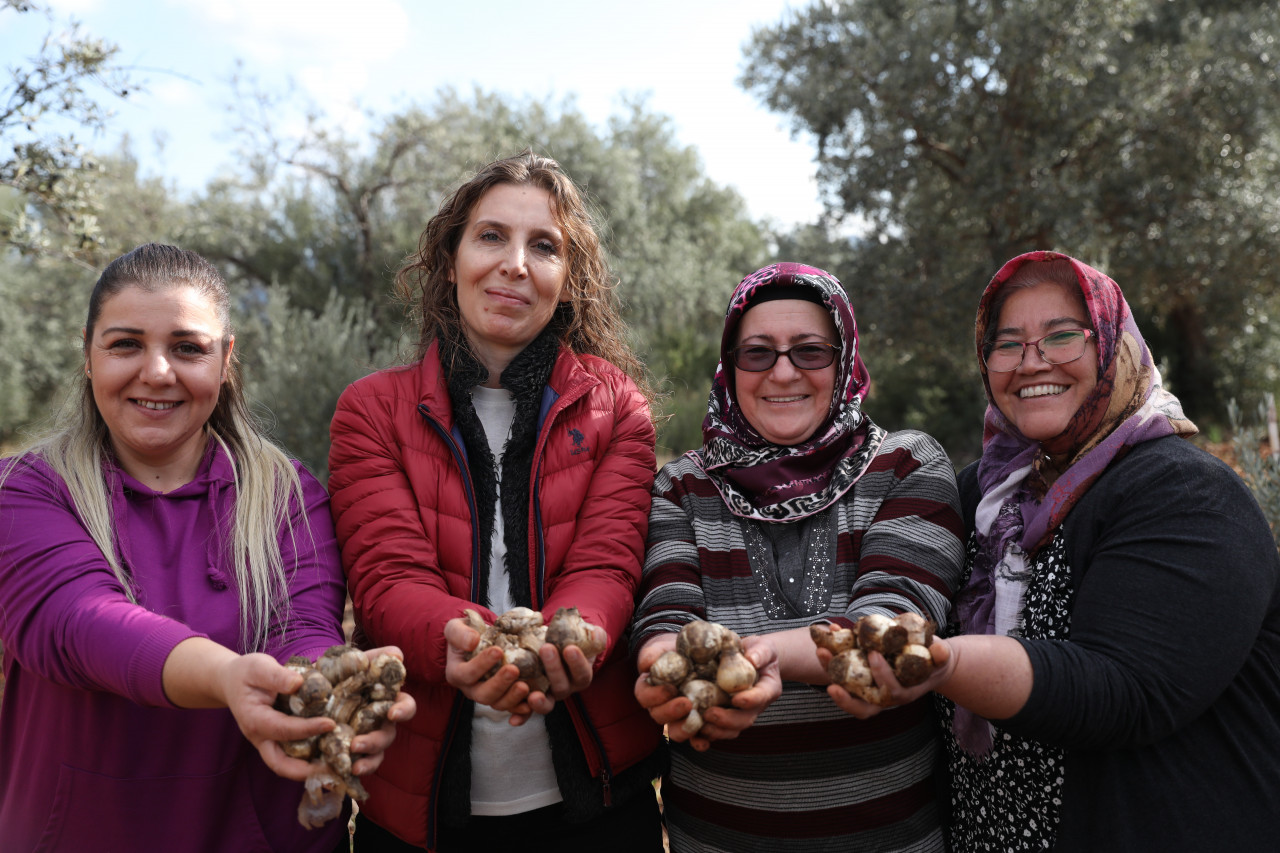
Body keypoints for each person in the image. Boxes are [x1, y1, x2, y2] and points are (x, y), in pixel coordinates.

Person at [826, 251, 1280, 851]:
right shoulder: (980, 495)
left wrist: (947, 666)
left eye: (1063, 336)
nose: (1031, 362)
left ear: (1113, 347)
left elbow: (1127, 690)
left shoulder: (1186, 494)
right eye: (1007, 343)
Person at [0, 243, 413, 852]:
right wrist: (226, 678)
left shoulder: (288, 495)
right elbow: (74, 621)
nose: (158, 372)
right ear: (88, 355)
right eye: (125, 344)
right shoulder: (28, 489)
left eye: (187, 348)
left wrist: (331, 697)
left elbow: (303, 627)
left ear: (225, 360)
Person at [327, 151, 666, 851]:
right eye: (490, 236)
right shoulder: (372, 410)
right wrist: (474, 646)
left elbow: (610, 560)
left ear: (567, 281)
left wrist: (578, 637)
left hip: (598, 803)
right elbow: (388, 578)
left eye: (543, 245)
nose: (515, 263)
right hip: (422, 810)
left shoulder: (616, 407)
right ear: (449, 261)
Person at [630, 262, 964, 852]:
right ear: (730, 369)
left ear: (845, 361)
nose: (783, 372)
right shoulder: (682, 486)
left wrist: (751, 660)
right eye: (757, 354)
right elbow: (666, 613)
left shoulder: (908, 465)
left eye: (810, 352)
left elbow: (891, 626)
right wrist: (665, 669)